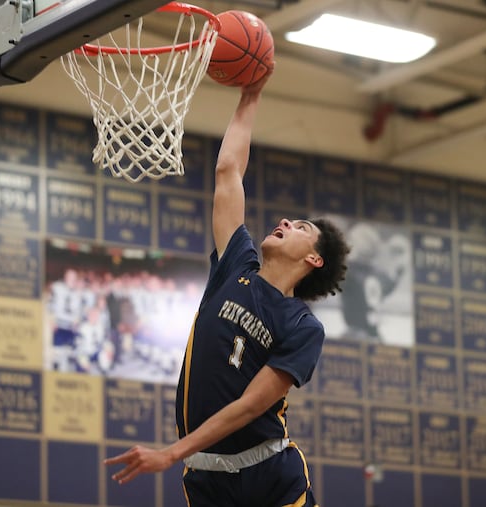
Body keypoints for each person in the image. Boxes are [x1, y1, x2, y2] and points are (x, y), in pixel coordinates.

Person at [104, 68, 350, 507]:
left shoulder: (302, 326)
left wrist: (172, 452)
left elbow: (251, 406)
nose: (286, 222)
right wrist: (250, 95)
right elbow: (228, 171)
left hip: (268, 475)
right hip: (206, 480)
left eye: (301, 227)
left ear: (314, 259)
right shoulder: (236, 264)